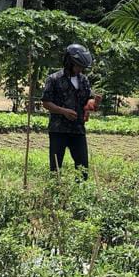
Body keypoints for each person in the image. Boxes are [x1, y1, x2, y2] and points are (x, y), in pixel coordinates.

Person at [41, 44, 97, 177]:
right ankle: (55, 193)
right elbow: (46, 102)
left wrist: (91, 104)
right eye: (77, 66)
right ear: (68, 62)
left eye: (82, 67)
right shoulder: (54, 79)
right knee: (56, 168)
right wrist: (63, 111)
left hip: (78, 130)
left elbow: (89, 99)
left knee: (83, 169)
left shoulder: (84, 80)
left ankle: (81, 193)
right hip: (58, 130)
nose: (80, 69)